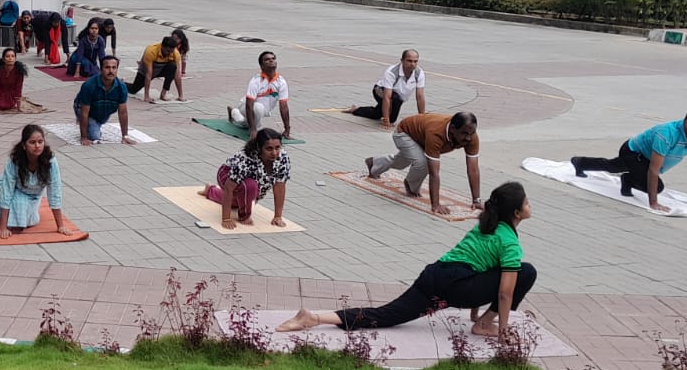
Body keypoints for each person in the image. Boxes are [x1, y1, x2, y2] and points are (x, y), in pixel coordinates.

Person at [277, 182, 538, 337]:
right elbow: (505, 293)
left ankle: (314, 318)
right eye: (527, 203)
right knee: (526, 272)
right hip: (458, 285)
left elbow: (482, 266)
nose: (530, 205)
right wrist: (502, 331)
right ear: (516, 212)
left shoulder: (485, 226)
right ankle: (485, 325)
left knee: (387, 314)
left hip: (435, 275)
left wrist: (475, 313)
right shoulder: (509, 243)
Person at [571, 109, 687, 212]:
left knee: (614, 166)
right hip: (633, 152)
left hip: (645, 158)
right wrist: (653, 203)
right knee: (615, 168)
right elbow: (653, 170)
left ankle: (623, 178)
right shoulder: (666, 134)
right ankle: (582, 163)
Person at [366, 112, 483, 218]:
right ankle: (410, 185)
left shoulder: (472, 137)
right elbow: (434, 172)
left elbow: (473, 169)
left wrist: (476, 200)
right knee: (423, 163)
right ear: (452, 129)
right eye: (464, 133)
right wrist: (436, 204)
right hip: (404, 133)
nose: (468, 138)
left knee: (402, 162)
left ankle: (374, 163)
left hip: (422, 137)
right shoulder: (436, 133)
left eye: (471, 133)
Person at [0, 124, 72, 239]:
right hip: (13, 191)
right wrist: (3, 227)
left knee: (30, 221)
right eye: (32, 142)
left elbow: (55, 191)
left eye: (40, 142)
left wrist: (60, 226)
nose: (37, 146)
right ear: (24, 145)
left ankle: (26, 211)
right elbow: (7, 192)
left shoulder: (50, 161)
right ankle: (11, 213)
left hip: (34, 196)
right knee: (18, 213)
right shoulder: (15, 161)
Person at [199, 128, 290, 229]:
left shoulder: (282, 157)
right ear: (259, 148)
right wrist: (226, 219)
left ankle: (210, 191)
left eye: (277, 148)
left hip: (251, 182)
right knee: (250, 187)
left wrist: (278, 217)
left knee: (238, 202)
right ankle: (244, 216)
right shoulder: (246, 159)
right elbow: (229, 188)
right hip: (226, 175)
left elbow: (280, 187)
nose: (274, 153)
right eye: (269, 149)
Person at [351, 50, 426, 126]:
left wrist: (422, 119)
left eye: (415, 61)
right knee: (393, 103)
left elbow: (420, 96)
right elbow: (387, 97)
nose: (412, 64)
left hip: (398, 98)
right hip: (380, 90)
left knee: (383, 116)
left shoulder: (419, 73)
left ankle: (356, 110)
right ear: (402, 60)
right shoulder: (392, 72)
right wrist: (386, 120)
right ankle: (381, 113)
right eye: (409, 61)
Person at [228, 51, 293, 140]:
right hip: (246, 106)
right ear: (261, 66)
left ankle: (233, 112)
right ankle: (257, 129)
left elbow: (284, 106)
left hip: (262, 111)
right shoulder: (256, 80)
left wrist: (287, 129)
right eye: (267, 60)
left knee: (243, 122)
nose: (271, 61)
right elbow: (249, 105)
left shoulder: (281, 82)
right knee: (258, 109)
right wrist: (253, 129)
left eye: (273, 59)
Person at [73, 56, 134, 146]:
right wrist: (84, 137)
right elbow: (84, 112)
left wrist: (125, 136)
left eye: (114, 68)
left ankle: (91, 123)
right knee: (94, 136)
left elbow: (123, 113)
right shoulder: (89, 86)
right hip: (84, 107)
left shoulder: (121, 87)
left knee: (98, 122)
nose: (111, 71)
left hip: (104, 109)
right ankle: (85, 122)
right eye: (107, 67)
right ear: (101, 69)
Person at [127, 35, 184, 104]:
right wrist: (146, 96)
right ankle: (121, 83)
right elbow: (148, 74)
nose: (169, 53)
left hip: (161, 69)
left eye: (171, 51)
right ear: (162, 46)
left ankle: (163, 94)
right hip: (146, 70)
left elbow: (177, 75)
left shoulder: (175, 53)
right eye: (167, 51)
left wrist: (180, 95)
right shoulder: (151, 51)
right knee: (133, 90)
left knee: (173, 66)